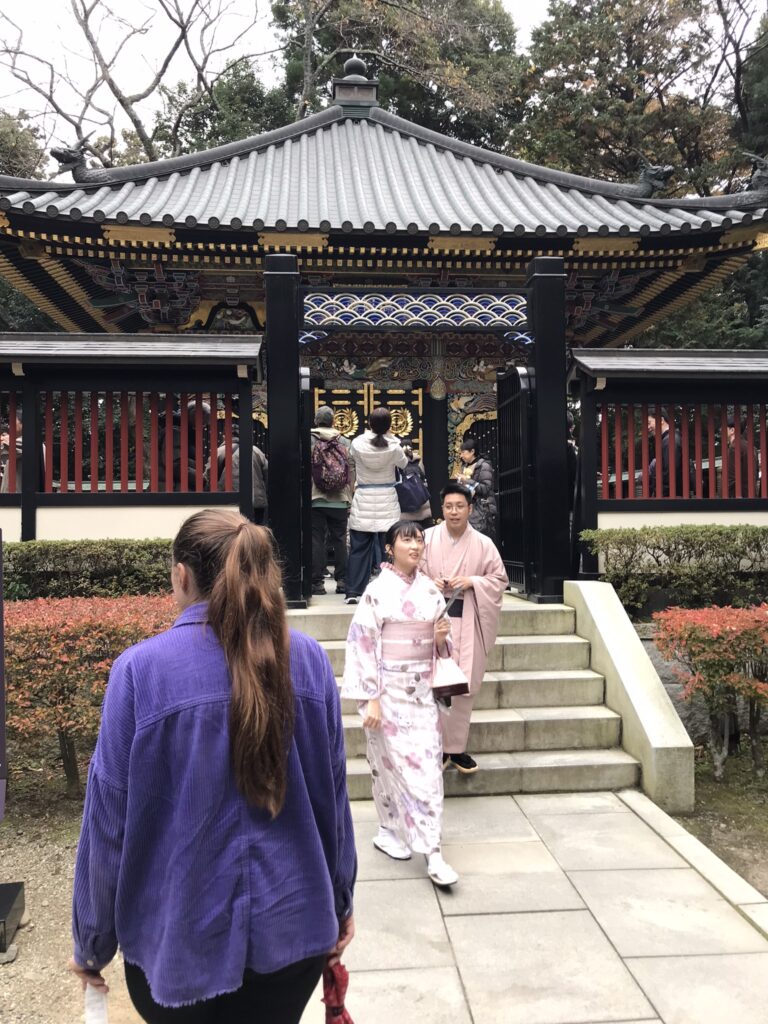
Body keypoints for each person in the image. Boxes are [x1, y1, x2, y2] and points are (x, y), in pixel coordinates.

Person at [69, 509, 356, 1023]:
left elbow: (108, 821)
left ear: (182, 575)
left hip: (175, 944)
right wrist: (339, 902)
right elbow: (332, 798)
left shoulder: (140, 671)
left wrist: (91, 943)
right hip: (293, 937)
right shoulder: (309, 660)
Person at [341, 519, 458, 887]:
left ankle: (433, 851)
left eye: (419, 540)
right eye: (407, 540)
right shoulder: (377, 591)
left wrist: (439, 639)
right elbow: (362, 645)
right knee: (386, 765)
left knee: (426, 770)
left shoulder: (431, 591)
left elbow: (444, 648)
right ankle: (388, 830)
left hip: (422, 694)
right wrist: (371, 698)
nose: (416, 546)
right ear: (389, 549)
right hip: (388, 692)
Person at [422, 483, 508, 775]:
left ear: (470, 509)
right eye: (449, 506)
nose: (454, 512)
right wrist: (428, 583)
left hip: (468, 618)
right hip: (433, 621)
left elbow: (499, 580)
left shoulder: (483, 544)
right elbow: (410, 573)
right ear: (442, 509)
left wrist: (473, 581)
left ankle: (455, 748)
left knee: (463, 685)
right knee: (431, 683)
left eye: (460, 506)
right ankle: (434, 746)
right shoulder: (426, 539)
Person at [344, 407, 408, 605]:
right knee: (389, 549)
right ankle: (389, 589)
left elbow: (352, 458)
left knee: (358, 549)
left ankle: (353, 591)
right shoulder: (394, 446)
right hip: (387, 499)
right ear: (389, 425)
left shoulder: (357, 443)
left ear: (369, 423)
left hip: (363, 497)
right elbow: (404, 464)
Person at [310, 406, 353, 596]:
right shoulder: (344, 441)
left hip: (316, 498)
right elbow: (351, 470)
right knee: (340, 540)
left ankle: (317, 583)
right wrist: (349, 496)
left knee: (316, 539)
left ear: (316, 421)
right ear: (333, 421)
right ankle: (342, 581)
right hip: (340, 499)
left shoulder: (310, 439)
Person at [205, 427, 269, 524]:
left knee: (232, 528)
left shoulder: (219, 451)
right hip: (255, 500)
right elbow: (267, 472)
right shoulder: (256, 450)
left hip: (229, 500)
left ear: (225, 436)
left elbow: (209, 475)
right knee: (256, 528)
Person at [455, 437, 497, 539]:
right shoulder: (465, 467)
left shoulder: (484, 465)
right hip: (469, 509)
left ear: (472, 451)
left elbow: (486, 488)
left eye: (463, 452)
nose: (461, 456)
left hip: (481, 510)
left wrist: (467, 480)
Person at [647, 407, 687, 497]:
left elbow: (669, 475)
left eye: (649, 423)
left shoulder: (670, 440)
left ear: (661, 420)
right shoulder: (670, 439)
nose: (648, 427)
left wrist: (660, 496)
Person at [397, 442, 434, 530]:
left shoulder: (396, 464)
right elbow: (424, 479)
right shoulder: (418, 461)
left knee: (405, 536)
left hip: (404, 512)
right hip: (423, 508)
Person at [724, 414, 758, 498]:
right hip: (751, 497)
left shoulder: (734, 448)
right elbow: (756, 475)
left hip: (738, 499)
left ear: (732, 430)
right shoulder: (752, 448)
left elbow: (731, 479)